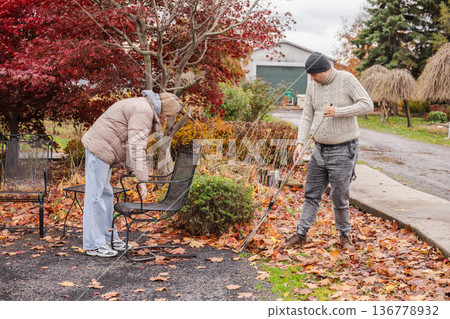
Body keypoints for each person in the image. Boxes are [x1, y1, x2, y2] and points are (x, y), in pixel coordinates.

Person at [282, 52, 373, 250]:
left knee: (339, 196)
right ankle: (301, 234)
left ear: (324, 70)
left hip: (343, 149)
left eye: (314, 74)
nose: (311, 79)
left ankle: (345, 236)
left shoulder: (346, 79)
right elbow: (307, 115)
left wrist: (338, 111)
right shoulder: (313, 83)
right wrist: (300, 143)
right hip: (319, 149)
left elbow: (367, 104)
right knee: (311, 193)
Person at [81, 91, 182, 257]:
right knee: (95, 197)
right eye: (167, 115)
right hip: (99, 148)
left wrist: (134, 172)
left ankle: (107, 237)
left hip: (105, 151)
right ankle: (94, 244)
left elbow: (130, 143)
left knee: (105, 195)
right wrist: (142, 180)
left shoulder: (145, 108)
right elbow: (136, 146)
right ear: (163, 108)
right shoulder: (144, 111)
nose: (165, 119)